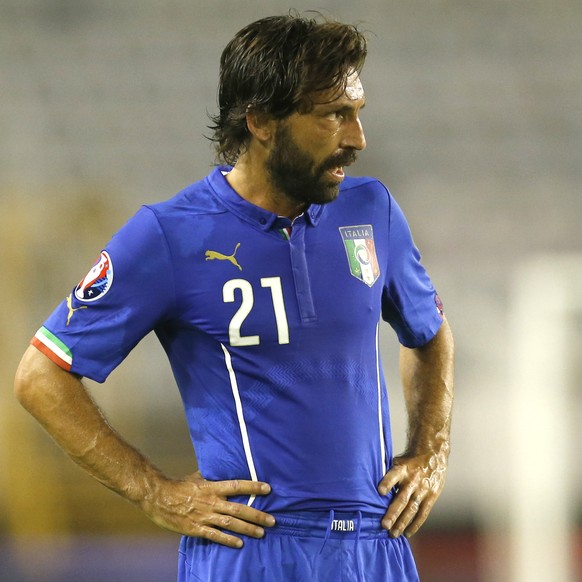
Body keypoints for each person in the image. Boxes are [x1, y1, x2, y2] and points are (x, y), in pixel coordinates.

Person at [14, 13, 454, 582]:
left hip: (376, 547)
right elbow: (40, 378)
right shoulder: (170, 235)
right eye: (333, 116)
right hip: (253, 550)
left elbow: (429, 332)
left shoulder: (372, 212)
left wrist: (431, 451)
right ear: (262, 121)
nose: (357, 139)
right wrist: (154, 493)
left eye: (357, 114)